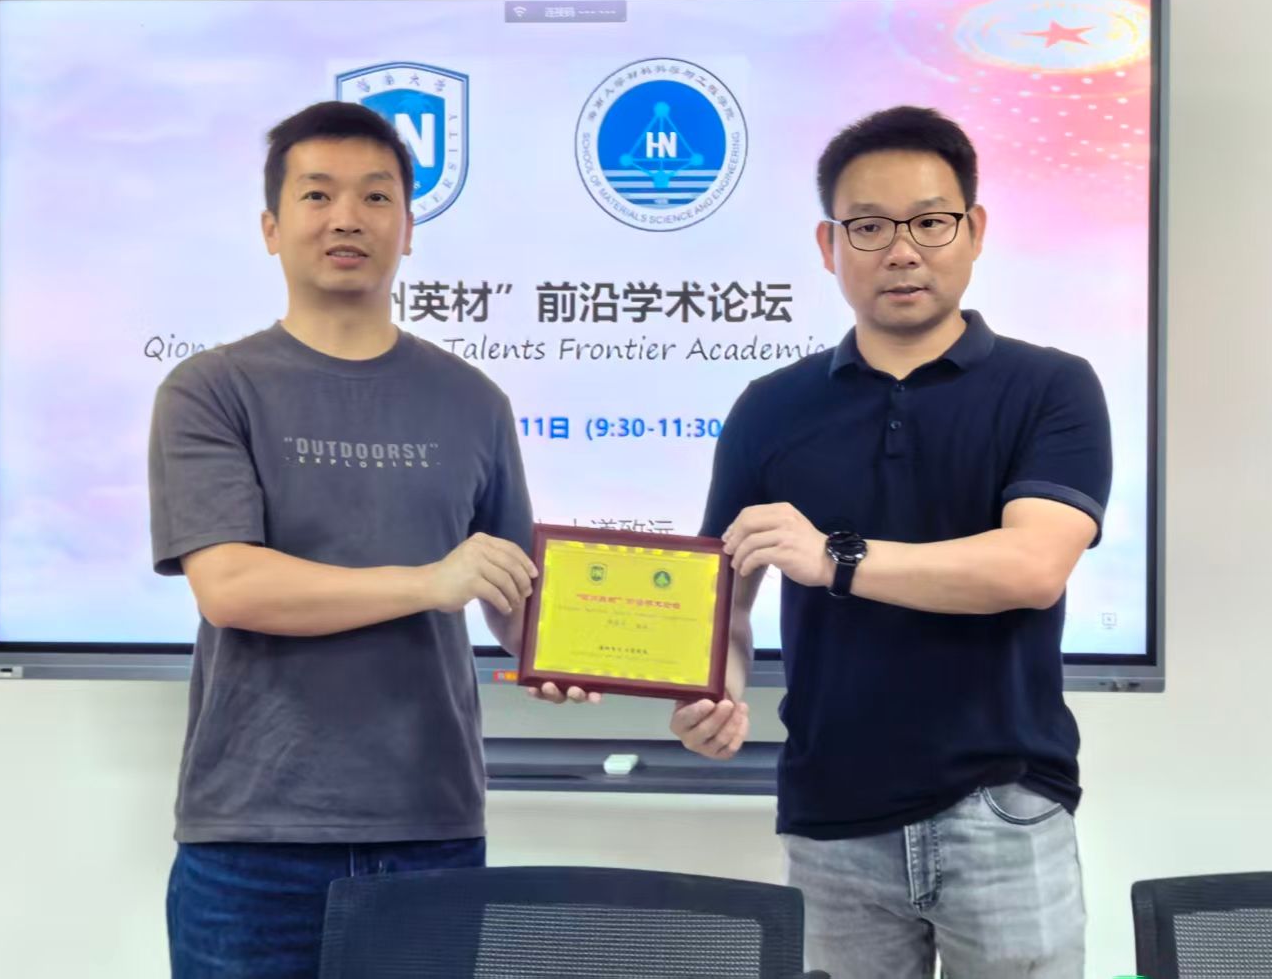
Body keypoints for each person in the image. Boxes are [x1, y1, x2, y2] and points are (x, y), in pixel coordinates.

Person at [149, 100, 588, 978]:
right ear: (271, 228)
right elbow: (231, 586)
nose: (347, 217)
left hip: (431, 828)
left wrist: (570, 650)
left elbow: (511, 592)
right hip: (253, 839)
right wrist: (429, 582)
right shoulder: (211, 389)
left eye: (376, 196)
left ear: (408, 229)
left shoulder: (474, 400)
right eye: (318, 194)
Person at [671, 106, 1112, 978]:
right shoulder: (770, 408)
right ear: (829, 245)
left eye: (929, 222)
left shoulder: (1052, 387)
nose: (902, 250)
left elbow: (1032, 566)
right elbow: (721, 600)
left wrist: (836, 558)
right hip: (832, 816)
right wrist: (712, 690)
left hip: (1006, 806)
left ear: (974, 230)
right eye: (869, 227)